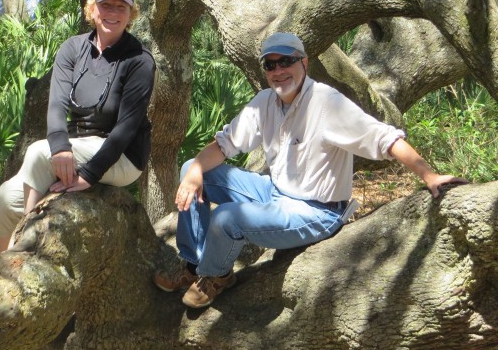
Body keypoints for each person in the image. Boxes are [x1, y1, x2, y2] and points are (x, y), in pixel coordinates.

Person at [153, 32, 467, 309]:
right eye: (270, 65)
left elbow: (384, 138)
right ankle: (195, 265)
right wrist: (195, 170)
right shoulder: (265, 102)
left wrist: (429, 175)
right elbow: (223, 146)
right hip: (275, 192)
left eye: (285, 61)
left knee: (227, 218)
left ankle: (216, 275)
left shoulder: (326, 103)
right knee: (192, 170)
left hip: (316, 211)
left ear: (304, 63)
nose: (278, 71)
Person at [0, 0, 155, 262]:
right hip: (76, 147)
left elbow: (127, 127)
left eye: (121, 7)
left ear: (131, 15)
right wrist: (61, 145)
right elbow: (56, 103)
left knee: (38, 151)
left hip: (122, 157)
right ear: (92, 9)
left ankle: (24, 250)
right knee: (4, 200)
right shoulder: (73, 48)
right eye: (106, 5)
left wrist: (90, 174)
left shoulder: (139, 60)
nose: (113, 13)